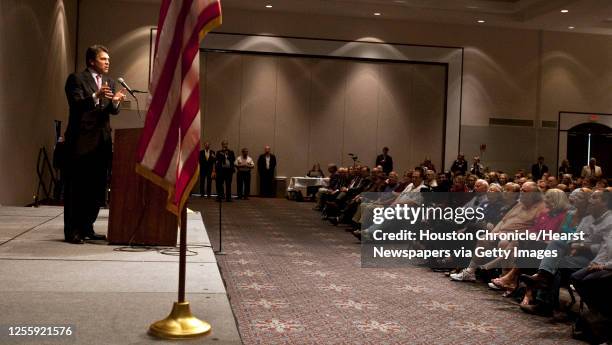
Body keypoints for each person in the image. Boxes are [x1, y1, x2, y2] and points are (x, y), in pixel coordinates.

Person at [63, 44, 126, 244]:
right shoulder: (76, 79)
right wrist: (95, 96)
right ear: (91, 61)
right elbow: (76, 105)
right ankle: (73, 231)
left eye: (108, 59)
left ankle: (87, 227)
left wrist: (115, 101)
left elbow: (110, 111)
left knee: (97, 188)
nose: (108, 62)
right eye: (103, 59)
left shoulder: (110, 81)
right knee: (78, 188)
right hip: (81, 141)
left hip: (102, 143)